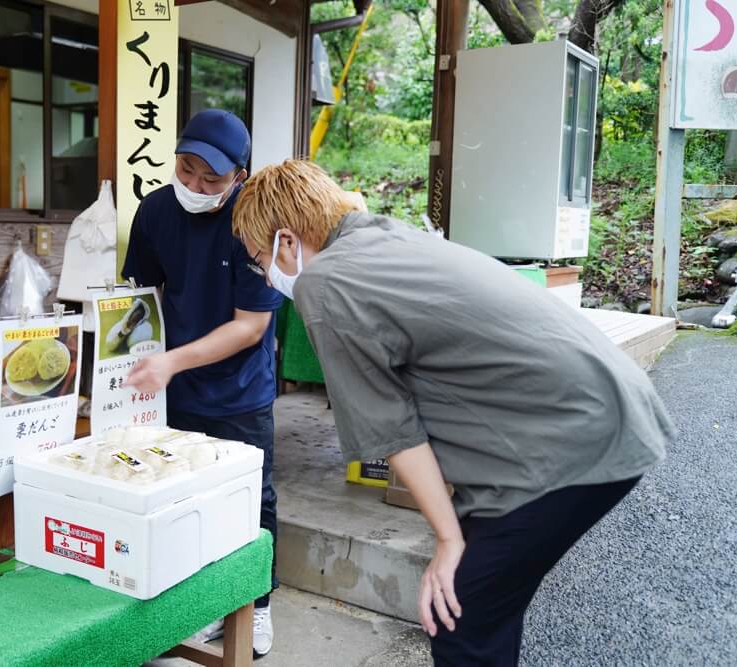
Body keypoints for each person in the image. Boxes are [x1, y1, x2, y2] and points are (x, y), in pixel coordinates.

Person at [230, 159, 675, 666]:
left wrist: (447, 539)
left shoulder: (325, 282)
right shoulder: (380, 236)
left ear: (287, 241)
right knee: (481, 609)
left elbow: (391, 430)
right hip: (603, 408)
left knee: (458, 614)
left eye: (260, 257)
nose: (265, 273)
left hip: (572, 439)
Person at [122, 109, 282, 657]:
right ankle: (203, 606)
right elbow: (138, 300)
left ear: (238, 175)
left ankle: (257, 607)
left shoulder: (254, 221)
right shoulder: (156, 210)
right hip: (177, 387)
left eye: (210, 179)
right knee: (183, 494)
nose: (193, 186)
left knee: (249, 500)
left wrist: (170, 362)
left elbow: (251, 324)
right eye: (185, 170)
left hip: (240, 389)